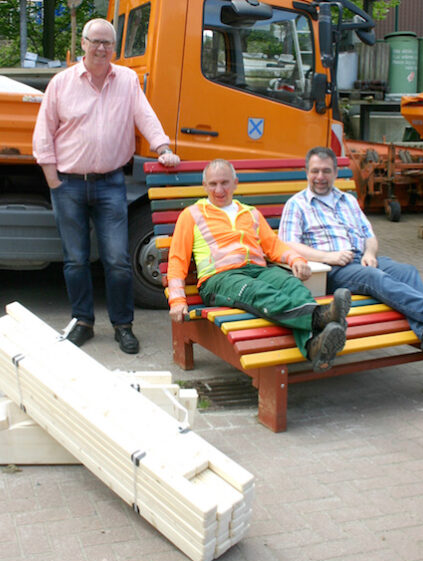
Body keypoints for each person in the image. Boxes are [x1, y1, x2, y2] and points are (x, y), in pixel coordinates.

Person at [32, 18, 180, 354]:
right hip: (68, 185)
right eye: (95, 41)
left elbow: (145, 115)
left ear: (114, 48)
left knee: (117, 260)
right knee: (75, 260)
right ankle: (82, 321)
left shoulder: (126, 80)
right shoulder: (61, 84)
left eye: (107, 43)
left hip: (111, 183)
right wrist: (53, 180)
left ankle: (123, 326)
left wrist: (163, 148)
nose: (101, 48)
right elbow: (43, 133)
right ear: (82, 43)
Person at [167, 159, 352, 373]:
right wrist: (178, 300)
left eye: (225, 183)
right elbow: (177, 259)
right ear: (205, 186)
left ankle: (312, 347)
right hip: (220, 279)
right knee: (261, 292)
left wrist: (296, 260)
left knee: (293, 286)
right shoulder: (192, 214)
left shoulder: (250, 212)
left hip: (258, 270)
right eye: (213, 184)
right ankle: (320, 318)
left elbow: (273, 246)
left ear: (235, 183)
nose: (219, 190)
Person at [278, 146, 423, 353]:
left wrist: (369, 253)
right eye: (315, 171)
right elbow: (288, 243)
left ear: (335, 172)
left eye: (326, 171)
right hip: (330, 270)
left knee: (407, 271)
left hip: (361, 258)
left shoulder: (348, 200)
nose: (320, 176)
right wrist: (328, 256)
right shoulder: (296, 204)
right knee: (373, 277)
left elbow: (368, 235)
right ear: (307, 172)